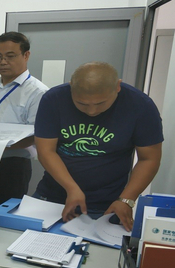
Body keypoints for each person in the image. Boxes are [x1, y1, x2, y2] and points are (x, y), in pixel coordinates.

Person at [34, 62, 163, 231]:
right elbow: (46, 151)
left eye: (100, 103)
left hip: (108, 204)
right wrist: (71, 188)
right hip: (52, 197)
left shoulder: (140, 105)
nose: (91, 111)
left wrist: (126, 200)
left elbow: (149, 158)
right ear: (71, 88)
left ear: (118, 87)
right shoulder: (53, 99)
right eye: (82, 104)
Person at [0, 32, 48, 208]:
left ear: (26, 55)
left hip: (13, 165)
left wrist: (0, 144)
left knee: (3, 212)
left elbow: (37, 136)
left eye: (10, 56)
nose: (3, 62)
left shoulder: (38, 92)